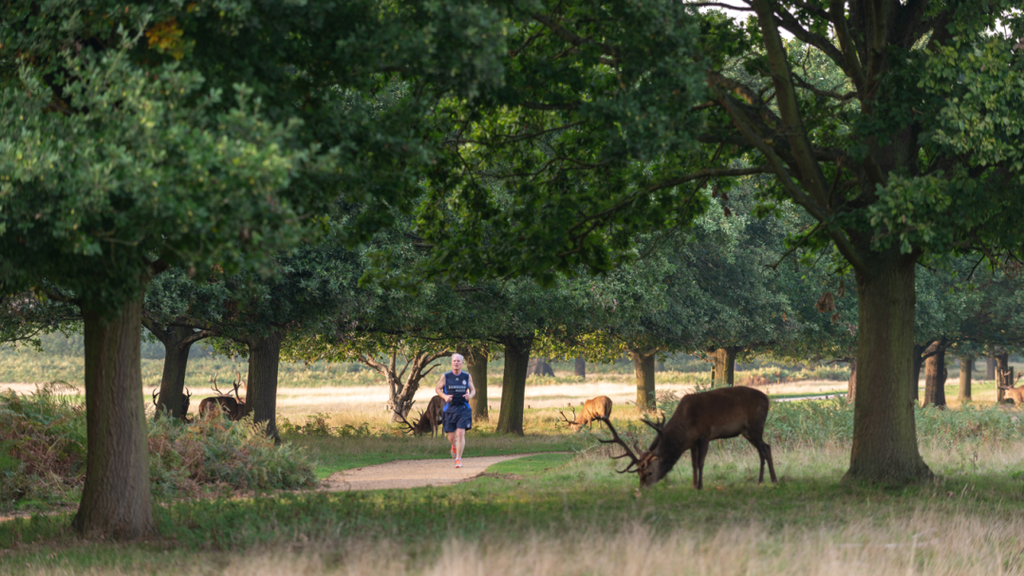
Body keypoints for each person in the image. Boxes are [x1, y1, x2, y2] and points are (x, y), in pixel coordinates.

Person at [436, 353, 475, 468]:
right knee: (452, 437)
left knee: (461, 433)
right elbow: (437, 388)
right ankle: (453, 445)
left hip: (463, 408)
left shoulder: (467, 376)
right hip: (450, 409)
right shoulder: (446, 376)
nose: (456, 363)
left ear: (462, 363)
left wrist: (470, 396)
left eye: (459, 361)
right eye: (454, 361)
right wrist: (445, 397)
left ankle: (458, 459)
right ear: (451, 362)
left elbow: (473, 390)